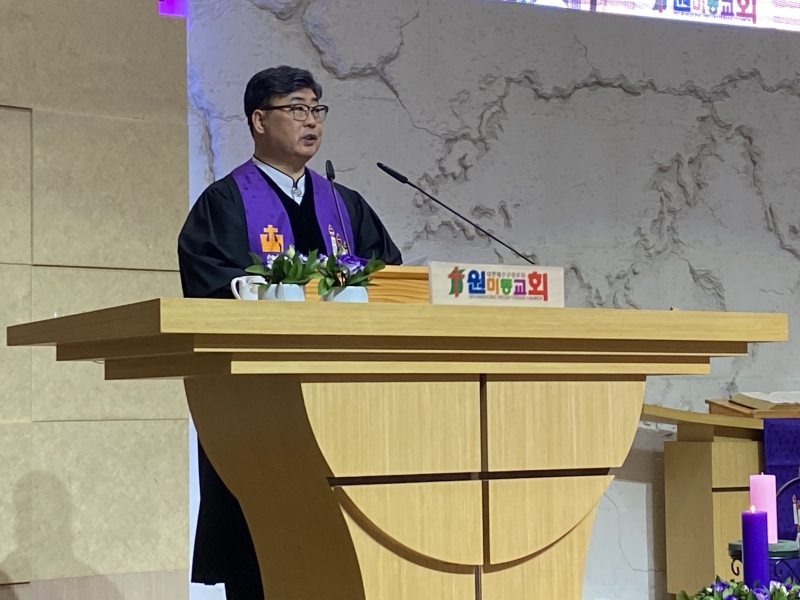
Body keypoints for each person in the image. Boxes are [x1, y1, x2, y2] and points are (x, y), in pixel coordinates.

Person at [177, 65, 402, 599]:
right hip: (260, 409)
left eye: (317, 110)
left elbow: (390, 278)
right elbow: (208, 285)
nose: (311, 121)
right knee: (260, 554)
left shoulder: (345, 205)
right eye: (297, 109)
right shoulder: (225, 204)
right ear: (259, 120)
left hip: (344, 401)